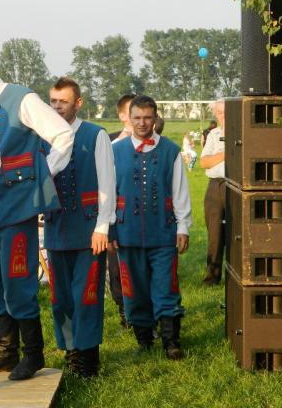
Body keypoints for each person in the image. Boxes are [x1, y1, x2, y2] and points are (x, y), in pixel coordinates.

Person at [0, 41, 73, 381]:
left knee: (18, 279)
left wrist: (43, 172)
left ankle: (33, 354)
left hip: (17, 205)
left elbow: (62, 135)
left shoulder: (22, 98)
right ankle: (5, 352)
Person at [44, 77, 115, 377]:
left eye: (63, 101)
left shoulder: (95, 135)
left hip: (88, 230)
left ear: (78, 103)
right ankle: (71, 352)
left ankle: (88, 358)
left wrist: (103, 226)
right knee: (61, 297)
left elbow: (107, 182)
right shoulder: (44, 136)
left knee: (87, 295)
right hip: (56, 229)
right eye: (53, 101)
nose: (57, 106)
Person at [110, 95, 192, 360]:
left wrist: (183, 227)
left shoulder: (170, 151)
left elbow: (180, 191)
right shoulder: (115, 150)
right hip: (127, 232)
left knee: (166, 285)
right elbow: (108, 193)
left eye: (147, 118)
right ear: (129, 118)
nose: (142, 123)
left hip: (163, 231)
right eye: (137, 118)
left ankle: (171, 341)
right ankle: (144, 339)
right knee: (133, 287)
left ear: (155, 118)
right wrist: (110, 229)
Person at [106, 93, 136, 328]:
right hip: (118, 217)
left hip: (147, 216)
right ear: (122, 116)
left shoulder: (160, 145)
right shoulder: (110, 146)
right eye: (132, 112)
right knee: (118, 267)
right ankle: (124, 310)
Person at [199, 100, 225, 285]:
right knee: (214, 232)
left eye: (226, 112)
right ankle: (212, 276)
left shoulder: (244, 132)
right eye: (220, 113)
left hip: (237, 185)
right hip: (215, 186)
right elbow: (204, 162)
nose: (223, 116)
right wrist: (226, 154)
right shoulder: (213, 135)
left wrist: (215, 158)